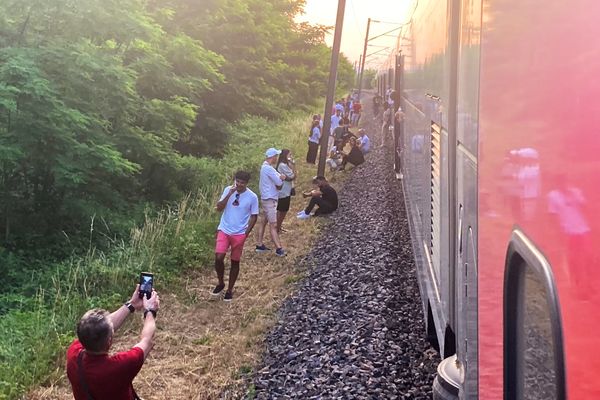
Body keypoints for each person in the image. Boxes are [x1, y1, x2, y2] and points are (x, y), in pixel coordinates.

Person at [66, 285, 160, 400]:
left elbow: (100, 327)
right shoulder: (119, 367)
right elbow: (147, 340)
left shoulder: (73, 354)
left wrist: (132, 304)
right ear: (109, 341)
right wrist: (150, 311)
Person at [213, 170, 259, 301]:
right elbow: (219, 207)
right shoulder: (228, 189)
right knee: (219, 257)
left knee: (235, 261)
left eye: (242, 183)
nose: (239, 184)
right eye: (237, 181)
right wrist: (229, 194)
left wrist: (246, 233)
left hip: (239, 233)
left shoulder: (252, 197)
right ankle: (221, 282)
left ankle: (230, 289)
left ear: (246, 183)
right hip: (224, 229)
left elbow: (254, 216)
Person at [256, 148, 287, 256]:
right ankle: (279, 249)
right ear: (273, 156)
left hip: (266, 198)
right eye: (276, 156)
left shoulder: (264, 167)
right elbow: (279, 182)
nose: (277, 158)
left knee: (263, 221)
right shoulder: (268, 169)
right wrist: (282, 178)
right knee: (273, 225)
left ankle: (259, 244)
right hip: (270, 199)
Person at [276, 149, 296, 233]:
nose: (290, 157)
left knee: (282, 210)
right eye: (289, 155)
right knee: (282, 210)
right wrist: (294, 166)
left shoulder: (284, 165)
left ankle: (279, 226)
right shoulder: (282, 165)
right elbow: (292, 176)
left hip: (285, 190)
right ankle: (277, 227)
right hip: (283, 192)